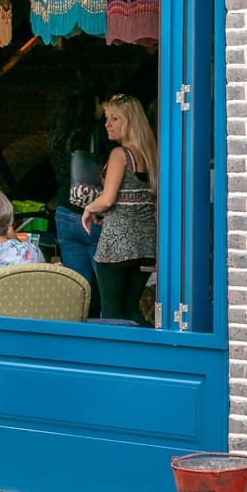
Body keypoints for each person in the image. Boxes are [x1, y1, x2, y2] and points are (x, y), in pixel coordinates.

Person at [82, 94, 158, 325]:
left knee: (112, 312)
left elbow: (107, 199)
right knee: (131, 309)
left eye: (115, 118)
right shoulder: (150, 154)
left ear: (130, 122)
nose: (107, 124)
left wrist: (89, 209)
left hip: (117, 245)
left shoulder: (120, 154)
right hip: (145, 243)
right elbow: (140, 199)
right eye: (107, 118)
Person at [48, 74, 111, 316]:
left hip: (65, 213)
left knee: (76, 293)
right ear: (94, 100)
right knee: (107, 292)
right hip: (95, 216)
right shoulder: (100, 133)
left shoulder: (59, 132)